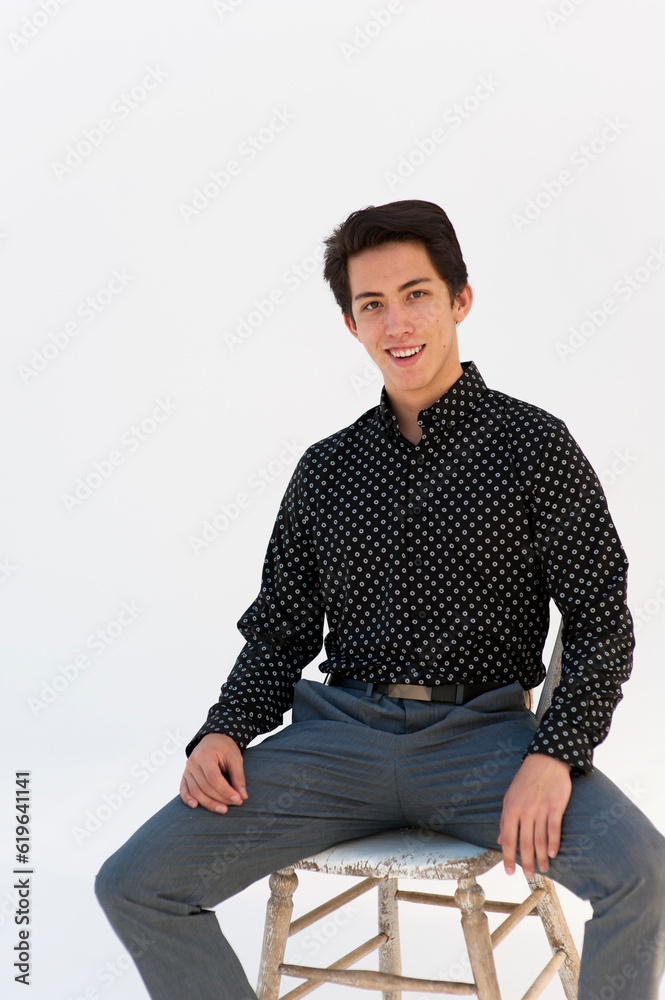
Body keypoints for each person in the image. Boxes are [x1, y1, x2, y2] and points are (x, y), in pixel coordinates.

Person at [95, 199, 665, 1000]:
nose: (397, 323)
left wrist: (555, 752)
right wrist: (223, 727)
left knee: (643, 875)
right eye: (372, 305)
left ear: (460, 299)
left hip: (487, 747)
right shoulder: (326, 471)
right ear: (351, 325)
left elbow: (602, 620)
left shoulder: (535, 446)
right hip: (338, 748)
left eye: (416, 294)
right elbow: (279, 629)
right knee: (134, 884)